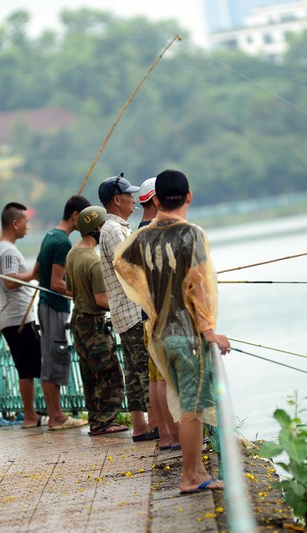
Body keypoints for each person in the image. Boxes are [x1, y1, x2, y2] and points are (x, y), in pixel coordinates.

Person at [114, 169, 231, 494]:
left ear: (158, 199)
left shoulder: (143, 237)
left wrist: (150, 294)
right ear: (188, 197)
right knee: (193, 408)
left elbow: (120, 262)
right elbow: (197, 283)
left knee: (184, 400)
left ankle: (197, 469)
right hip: (185, 332)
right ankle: (190, 477)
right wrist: (208, 329)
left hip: (158, 333)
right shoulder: (191, 234)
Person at [15, 195, 90, 431]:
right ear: (76, 215)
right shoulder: (62, 243)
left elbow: (34, 274)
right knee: (54, 358)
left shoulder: (50, 235)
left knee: (50, 356)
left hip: (45, 305)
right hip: (54, 306)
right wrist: (82, 293)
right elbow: (57, 283)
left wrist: (13, 281)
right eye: (85, 219)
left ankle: (55, 414)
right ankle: (56, 417)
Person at [97, 174, 155, 442]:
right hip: (132, 309)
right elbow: (129, 268)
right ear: (116, 200)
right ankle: (156, 425)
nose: (134, 200)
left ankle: (140, 426)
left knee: (133, 373)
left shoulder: (111, 228)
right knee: (145, 370)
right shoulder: (115, 229)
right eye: (129, 196)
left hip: (122, 311)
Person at [66, 205, 128, 436]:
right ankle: (105, 421)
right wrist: (125, 302)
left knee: (89, 375)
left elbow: (71, 289)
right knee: (110, 373)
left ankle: (95, 420)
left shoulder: (72, 255)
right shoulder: (94, 261)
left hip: (78, 321)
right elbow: (101, 299)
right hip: (93, 323)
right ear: (97, 229)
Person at [0, 202, 46, 428]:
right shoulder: (6, 250)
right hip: (17, 319)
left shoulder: (5, 248)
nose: (28, 227)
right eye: (26, 222)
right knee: (28, 369)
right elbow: (9, 280)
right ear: (15, 224)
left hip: (18, 318)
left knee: (30, 368)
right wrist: (33, 275)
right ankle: (30, 415)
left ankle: (31, 414)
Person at [136, 177, 180, 450]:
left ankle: (165, 435)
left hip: (146, 315)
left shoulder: (138, 233)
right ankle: (174, 436)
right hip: (161, 315)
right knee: (163, 379)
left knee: (155, 379)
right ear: (156, 200)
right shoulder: (155, 232)